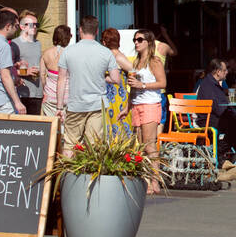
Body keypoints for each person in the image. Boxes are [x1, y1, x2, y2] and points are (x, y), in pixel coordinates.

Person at [57, 16, 121, 157]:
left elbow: (61, 80)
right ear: (97, 31)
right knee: (94, 145)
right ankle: (90, 178)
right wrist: (104, 78)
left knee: (70, 143)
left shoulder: (68, 51)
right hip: (97, 105)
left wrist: (59, 107)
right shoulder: (105, 52)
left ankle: (68, 175)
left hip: (75, 104)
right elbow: (116, 79)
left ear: (80, 30)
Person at [125, 29, 167, 194]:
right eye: (135, 40)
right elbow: (132, 89)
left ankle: (154, 181)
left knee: (150, 145)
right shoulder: (136, 63)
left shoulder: (154, 61)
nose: (136, 43)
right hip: (137, 105)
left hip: (150, 104)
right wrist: (126, 107)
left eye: (140, 40)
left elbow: (162, 82)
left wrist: (142, 85)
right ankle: (144, 180)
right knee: (141, 145)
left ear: (148, 42)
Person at [196, 58, 236, 159]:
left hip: (211, 118)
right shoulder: (210, 86)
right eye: (225, 70)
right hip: (208, 120)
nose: (227, 72)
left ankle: (225, 155)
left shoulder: (211, 83)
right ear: (218, 72)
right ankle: (218, 154)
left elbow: (222, 106)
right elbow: (220, 109)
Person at [14, 9, 43, 115]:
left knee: (35, 128)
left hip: (37, 93)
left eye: (36, 24)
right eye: (31, 25)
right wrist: (26, 72)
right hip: (22, 93)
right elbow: (8, 71)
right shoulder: (14, 44)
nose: (35, 27)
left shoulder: (38, 44)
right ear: (22, 26)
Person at [40, 25, 71, 117]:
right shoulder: (70, 53)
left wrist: (44, 90)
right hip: (67, 95)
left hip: (49, 95)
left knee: (51, 127)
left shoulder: (46, 53)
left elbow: (42, 75)